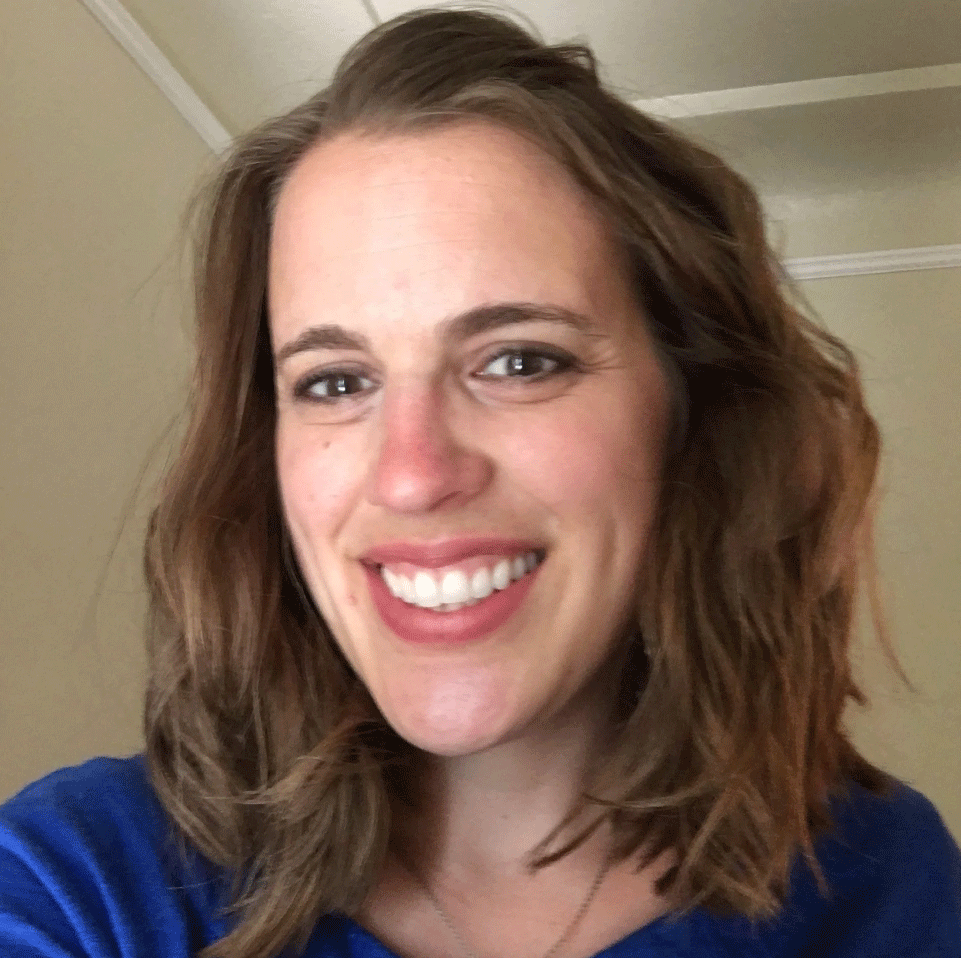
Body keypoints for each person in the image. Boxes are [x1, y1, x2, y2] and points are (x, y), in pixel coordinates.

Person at [1, 7, 959, 958]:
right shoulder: (78, 883)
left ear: (694, 417)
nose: (413, 475)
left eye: (519, 361)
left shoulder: (884, 884)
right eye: (335, 382)